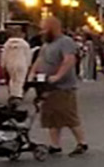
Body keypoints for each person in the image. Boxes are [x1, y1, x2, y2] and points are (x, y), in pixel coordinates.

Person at [32, 13, 89, 155]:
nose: (42, 32)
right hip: (47, 86)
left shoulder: (65, 42)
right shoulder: (46, 44)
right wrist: (32, 73)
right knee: (51, 117)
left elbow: (69, 60)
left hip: (63, 86)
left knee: (68, 115)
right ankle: (55, 145)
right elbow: (40, 59)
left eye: (44, 29)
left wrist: (58, 75)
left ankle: (82, 142)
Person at [1, 29, 33, 105]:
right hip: (22, 63)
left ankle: (12, 94)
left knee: (12, 79)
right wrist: (29, 65)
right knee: (20, 80)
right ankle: (17, 96)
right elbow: (28, 55)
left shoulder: (7, 44)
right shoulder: (25, 44)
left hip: (10, 64)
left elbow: (4, 55)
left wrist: (3, 65)